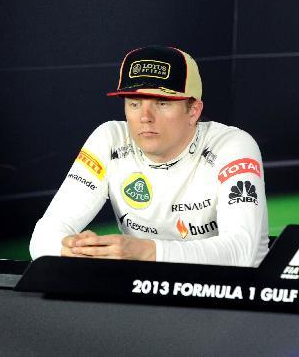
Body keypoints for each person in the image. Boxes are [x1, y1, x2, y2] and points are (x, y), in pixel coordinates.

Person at [30, 46, 269, 267]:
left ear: (194, 111)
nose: (145, 116)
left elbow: (241, 253)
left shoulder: (232, 145)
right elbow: (43, 237)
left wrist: (144, 251)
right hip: (145, 299)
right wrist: (75, 250)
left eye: (162, 103)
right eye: (134, 103)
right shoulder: (110, 139)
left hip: (232, 303)